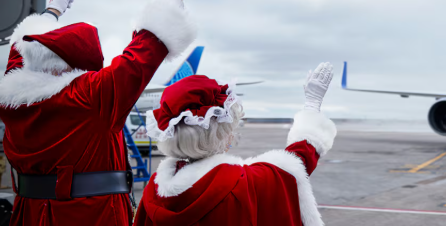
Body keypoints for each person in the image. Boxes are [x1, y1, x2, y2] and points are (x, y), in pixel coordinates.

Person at [0, 0, 196, 225]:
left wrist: (52, 10)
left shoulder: (10, 98)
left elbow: (21, 51)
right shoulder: (88, 97)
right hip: (89, 215)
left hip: (31, 214)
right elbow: (140, 57)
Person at [134, 63, 337, 226]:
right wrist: (311, 106)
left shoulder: (154, 190)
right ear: (220, 134)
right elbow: (296, 162)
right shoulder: (242, 183)